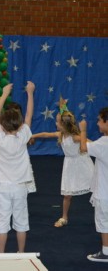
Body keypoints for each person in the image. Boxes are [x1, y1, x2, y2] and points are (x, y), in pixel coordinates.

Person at [0, 82, 35, 253]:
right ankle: (21, 252)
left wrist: (4, 94)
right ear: (20, 124)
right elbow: (29, 115)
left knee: (2, 220)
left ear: (2, 124)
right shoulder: (23, 137)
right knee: (21, 221)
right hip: (20, 186)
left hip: (2, 186)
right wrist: (30, 93)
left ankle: (1, 254)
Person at [32, 101, 94, 228]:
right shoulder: (61, 135)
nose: (55, 124)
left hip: (83, 164)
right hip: (70, 166)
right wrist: (32, 135)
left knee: (96, 188)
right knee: (67, 194)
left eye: (57, 122)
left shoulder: (75, 137)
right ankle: (64, 217)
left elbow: (91, 143)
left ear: (63, 125)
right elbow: (45, 134)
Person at [80, 108, 108, 262]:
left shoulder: (104, 142)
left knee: (104, 223)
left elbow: (84, 148)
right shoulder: (102, 143)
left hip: (104, 192)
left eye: (99, 120)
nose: (97, 123)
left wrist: (83, 130)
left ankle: (106, 252)